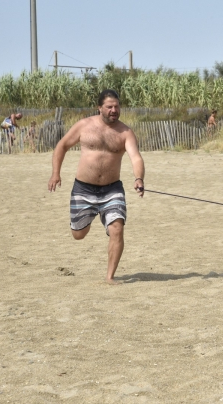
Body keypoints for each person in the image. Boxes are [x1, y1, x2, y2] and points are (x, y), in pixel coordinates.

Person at [47, 89, 145, 285]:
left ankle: (110, 277)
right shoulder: (84, 126)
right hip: (83, 190)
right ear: (99, 107)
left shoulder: (125, 132)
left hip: (112, 190)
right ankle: (89, 217)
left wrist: (139, 178)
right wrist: (56, 173)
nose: (114, 110)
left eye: (117, 106)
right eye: (109, 106)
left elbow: (136, 158)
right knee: (78, 234)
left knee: (117, 228)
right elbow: (62, 146)